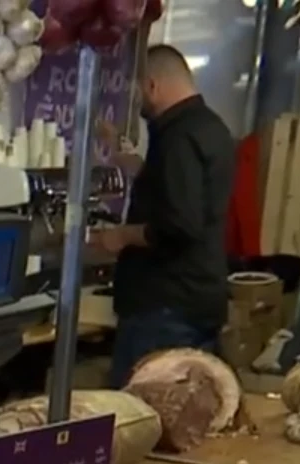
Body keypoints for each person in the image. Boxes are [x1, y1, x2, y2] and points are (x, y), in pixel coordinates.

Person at [90, 45, 235, 388]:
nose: (137, 102)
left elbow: (179, 225)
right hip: (198, 298)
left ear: (152, 86)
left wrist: (122, 236)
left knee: (143, 415)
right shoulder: (211, 127)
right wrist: (135, 166)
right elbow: (184, 195)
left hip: (165, 310)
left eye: (138, 91)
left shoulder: (177, 138)